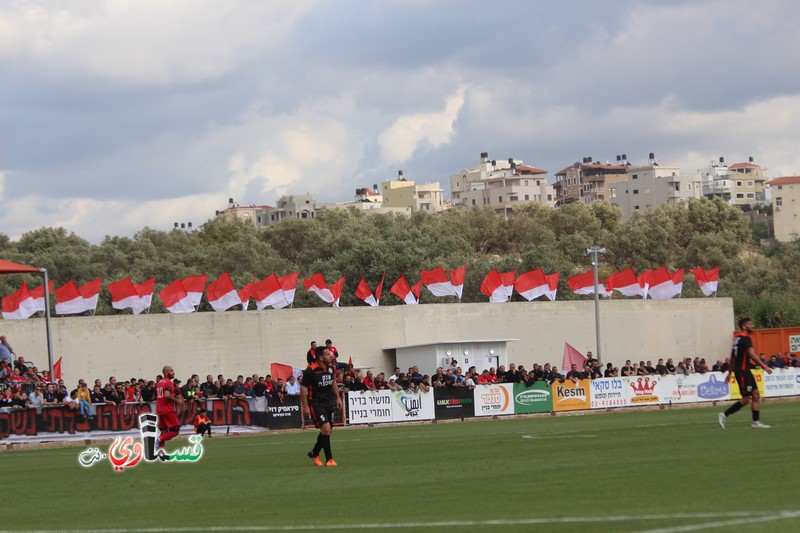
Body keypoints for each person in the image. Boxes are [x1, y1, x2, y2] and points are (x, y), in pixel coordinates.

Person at [719, 318, 773, 430]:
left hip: (744, 371)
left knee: (756, 395)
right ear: (744, 326)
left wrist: (729, 374)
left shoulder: (737, 340)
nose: (752, 325)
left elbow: (732, 359)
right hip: (743, 372)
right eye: (749, 324)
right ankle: (724, 415)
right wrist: (765, 366)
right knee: (746, 399)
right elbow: (752, 355)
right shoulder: (745, 338)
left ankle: (756, 422)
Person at [301, 347, 343, 467]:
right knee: (326, 430)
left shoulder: (330, 368)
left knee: (328, 431)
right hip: (316, 403)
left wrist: (338, 397)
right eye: (327, 354)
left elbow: (333, 382)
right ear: (320, 358)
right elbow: (303, 388)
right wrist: (305, 406)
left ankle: (314, 452)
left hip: (329, 402)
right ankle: (329, 459)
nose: (331, 355)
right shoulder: (310, 370)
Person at [156, 365, 184, 448]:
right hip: (167, 410)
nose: (173, 372)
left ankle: (160, 451)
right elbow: (167, 395)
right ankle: (159, 439)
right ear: (166, 373)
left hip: (159, 409)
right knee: (175, 430)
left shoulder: (159, 382)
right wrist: (177, 400)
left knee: (164, 431)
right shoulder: (168, 382)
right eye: (171, 371)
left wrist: (174, 396)